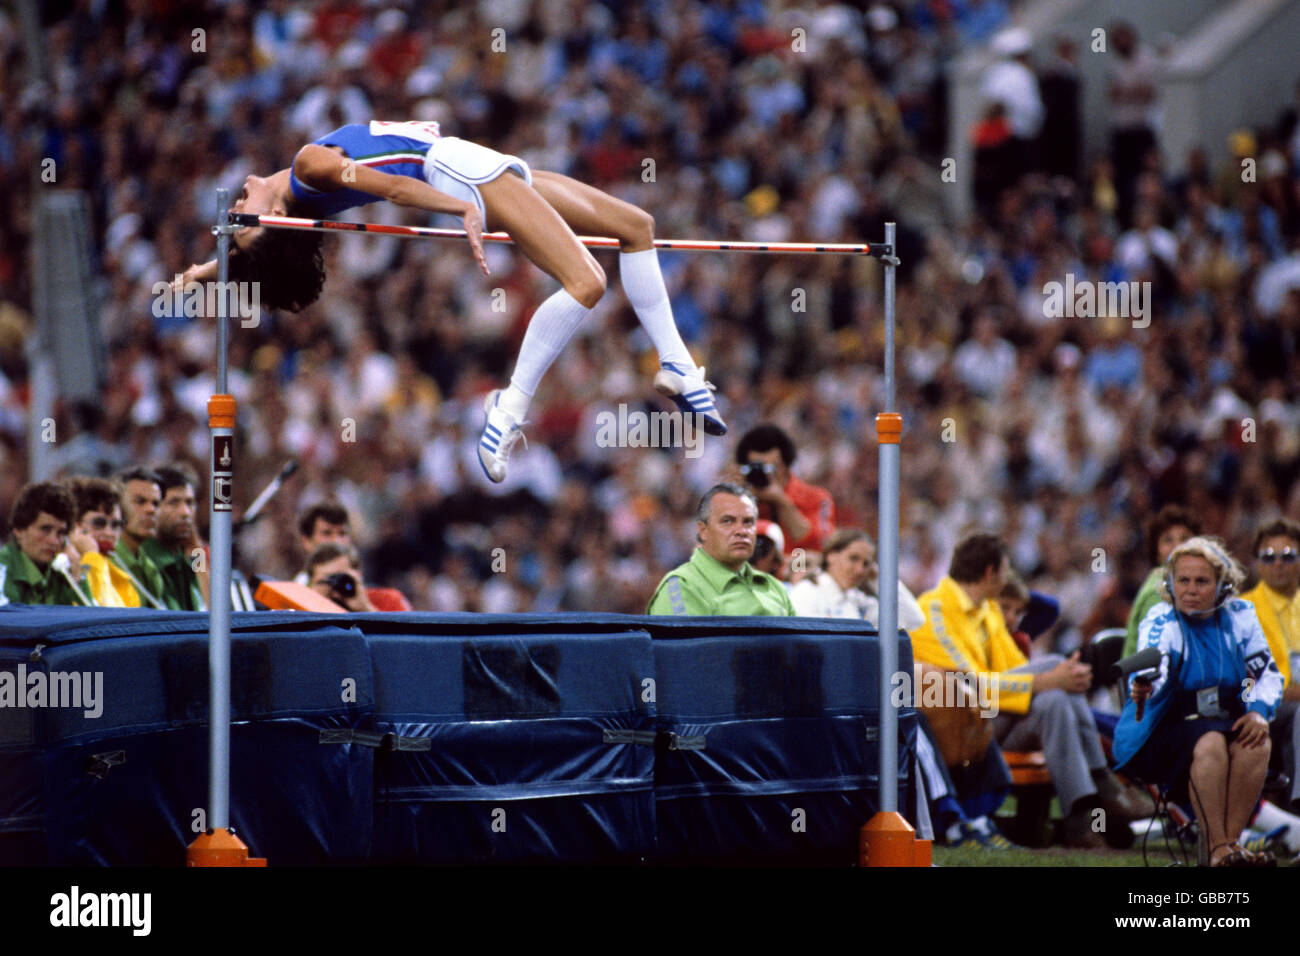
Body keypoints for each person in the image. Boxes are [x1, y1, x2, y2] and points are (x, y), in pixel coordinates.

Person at [176, 121, 724, 483]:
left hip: (473, 162)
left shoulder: (301, 189)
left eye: (238, 222)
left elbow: (257, 246)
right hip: (456, 174)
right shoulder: (308, 171)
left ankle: (674, 363)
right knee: (586, 283)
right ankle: (506, 411)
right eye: (241, 225)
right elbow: (392, 189)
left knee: (636, 226)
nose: (237, 211)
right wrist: (457, 208)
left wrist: (200, 272)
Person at [910, 532, 1144, 847]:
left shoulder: (986, 610)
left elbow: (1011, 671)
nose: (1007, 578)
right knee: (1051, 670)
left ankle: (1079, 818)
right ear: (991, 572)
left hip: (991, 721)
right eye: (1005, 570)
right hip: (959, 726)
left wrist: (1050, 683)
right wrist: (1044, 680)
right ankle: (1105, 785)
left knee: (1055, 702)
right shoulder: (932, 609)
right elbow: (969, 686)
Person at [1115, 537, 1284, 866]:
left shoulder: (1240, 615)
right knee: (1210, 743)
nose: (1191, 590)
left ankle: (1227, 848)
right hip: (1169, 724)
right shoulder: (1162, 619)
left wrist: (1259, 713)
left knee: (1256, 742)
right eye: (1183, 581)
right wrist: (1146, 684)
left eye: (1202, 581)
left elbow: (1267, 674)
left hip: (1224, 716)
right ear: (1170, 583)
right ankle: (1219, 850)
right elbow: (1155, 663)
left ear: (1223, 586)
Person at [646, 483, 794, 617]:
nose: (741, 531)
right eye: (727, 521)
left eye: (748, 522)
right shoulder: (683, 587)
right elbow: (683, 647)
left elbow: (799, 644)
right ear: (703, 531)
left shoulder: (774, 587)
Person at [1242, 518, 1300, 811]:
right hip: (1262, 709)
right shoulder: (1243, 610)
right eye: (1269, 556)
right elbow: (1247, 682)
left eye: (1288, 555)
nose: (1278, 563)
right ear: (1257, 563)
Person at [790, 527, 925, 630]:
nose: (860, 570)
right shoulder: (806, 592)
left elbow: (913, 620)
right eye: (853, 558)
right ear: (831, 556)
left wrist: (879, 578)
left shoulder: (858, 600)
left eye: (866, 564)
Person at [733, 424, 836, 559]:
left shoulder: (817, 498)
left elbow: (822, 546)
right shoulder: (739, 501)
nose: (765, 475)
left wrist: (781, 501)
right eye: (758, 468)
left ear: (787, 466)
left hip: (798, 573)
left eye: (771, 468)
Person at [1122, 504, 1200, 657]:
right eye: (1168, 540)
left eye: (1185, 538)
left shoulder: (1204, 585)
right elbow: (1157, 656)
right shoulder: (1156, 592)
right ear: (1156, 552)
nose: (1178, 546)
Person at [0, 481, 89, 606]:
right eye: (45, 529)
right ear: (19, 530)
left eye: (61, 533)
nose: (54, 541)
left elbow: (93, 621)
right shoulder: (3, 571)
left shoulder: (62, 570)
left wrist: (77, 579)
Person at [65, 476, 139, 607]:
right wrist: (92, 557)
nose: (109, 533)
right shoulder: (63, 569)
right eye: (99, 524)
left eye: (116, 525)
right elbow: (88, 611)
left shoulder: (121, 579)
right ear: (74, 525)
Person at [145, 463, 209, 611]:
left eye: (190, 502)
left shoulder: (186, 556)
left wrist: (196, 549)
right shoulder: (148, 558)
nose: (185, 512)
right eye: (174, 503)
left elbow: (212, 611)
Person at [111, 467, 168, 610]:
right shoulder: (107, 561)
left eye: (155, 503)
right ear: (117, 507)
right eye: (140, 501)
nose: (151, 509)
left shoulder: (149, 568)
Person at [293, 500, 354, 586]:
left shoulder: (361, 591)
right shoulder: (296, 591)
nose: (336, 541)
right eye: (327, 533)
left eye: (342, 533)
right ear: (306, 541)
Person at [305, 542, 376, 612]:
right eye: (326, 582)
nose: (335, 593)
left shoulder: (381, 598)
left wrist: (365, 608)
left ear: (358, 574)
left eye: (341, 579)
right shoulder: (299, 610)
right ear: (311, 584)